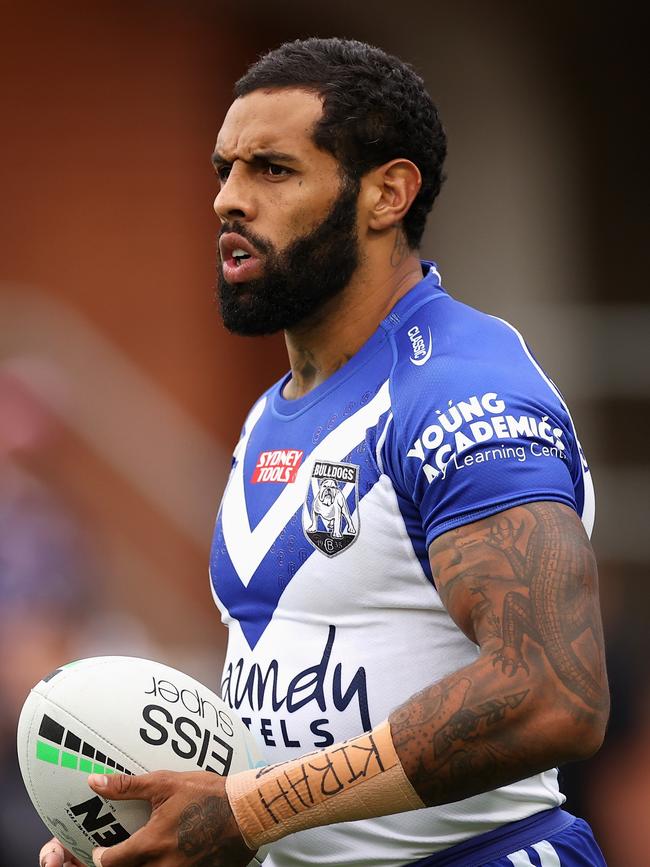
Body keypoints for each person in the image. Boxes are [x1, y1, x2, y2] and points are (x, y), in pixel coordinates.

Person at [40, 37, 609, 867]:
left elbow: (553, 693)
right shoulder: (271, 413)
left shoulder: (460, 393)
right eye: (223, 169)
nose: (227, 201)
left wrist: (250, 809)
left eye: (271, 169)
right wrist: (158, 831)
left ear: (386, 193)